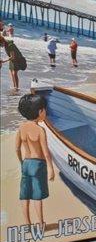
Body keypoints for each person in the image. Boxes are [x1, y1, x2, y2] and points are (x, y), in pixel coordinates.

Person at [15, 92, 56, 229]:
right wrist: (50, 168)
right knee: (37, 196)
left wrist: (21, 162)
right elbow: (46, 152)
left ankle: (27, 224)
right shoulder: (40, 130)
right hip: (38, 164)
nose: (46, 112)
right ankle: (41, 224)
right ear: (40, 112)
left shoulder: (21, 128)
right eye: (44, 110)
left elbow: (17, 148)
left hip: (26, 163)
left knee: (25, 195)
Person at [0, 26, 24, 92]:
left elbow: (12, 56)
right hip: (12, 59)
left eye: (0, 44)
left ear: (2, 41)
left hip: (17, 59)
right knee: (11, 72)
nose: (1, 46)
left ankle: (17, 88)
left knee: (14, 73)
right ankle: (14, 87)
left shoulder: (9, 45)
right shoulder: (5, 44)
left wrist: (3, 61)